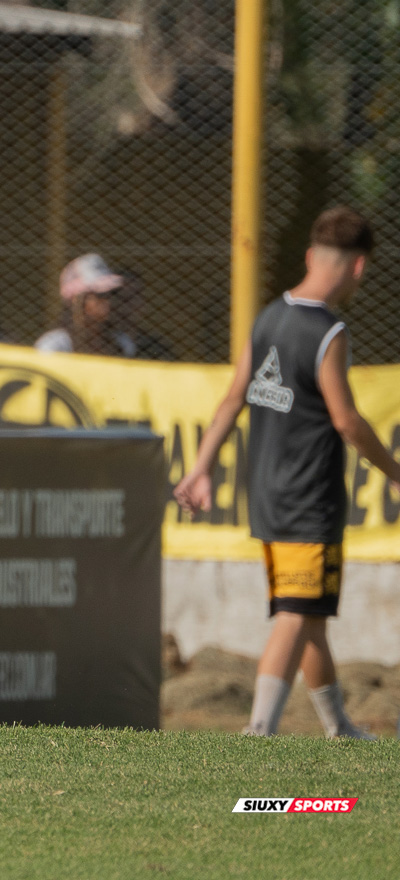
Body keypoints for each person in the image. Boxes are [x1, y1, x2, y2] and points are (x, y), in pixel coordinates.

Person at [174, 207, 392, 739]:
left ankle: (338, 727)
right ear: (359, 267)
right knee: (295, 613)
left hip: (268, 494)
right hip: (308, 498)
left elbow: (233, 398)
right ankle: (259, 731)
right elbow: (346, 421)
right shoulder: (328, 330)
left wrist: (200, 469)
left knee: (310, 613)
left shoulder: (269, 316)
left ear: (311, 256)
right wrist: (395, 470)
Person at [35, 253, 124, 355]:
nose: (107, 300)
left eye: (111, 293)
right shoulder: (54, 346)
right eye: (99, 294)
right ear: (76, 300)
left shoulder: (121, 343)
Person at [112, 268, 176, 360]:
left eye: (133, 296)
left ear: (143, 304)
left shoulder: (156, 349)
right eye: (120, 295)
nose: (127, 303)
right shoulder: (100, 342)